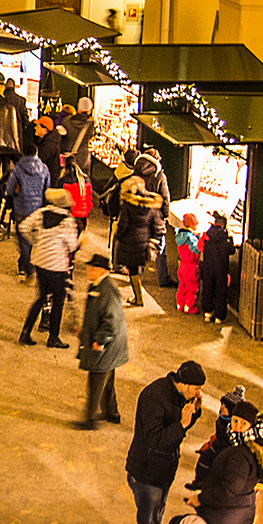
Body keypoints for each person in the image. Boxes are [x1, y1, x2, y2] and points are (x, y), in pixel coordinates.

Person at [120, 361, 207, 524]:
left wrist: (194, 413)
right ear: (183, 383)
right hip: (146, 474)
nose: (199, 393)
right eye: (196, 388)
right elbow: (156, 439)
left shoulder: (178, 395)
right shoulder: (154, 397)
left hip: (162, 473)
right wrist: (181, 425)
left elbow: (179, 427)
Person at [195, 401, 263, 524]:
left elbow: (228, 491)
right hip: (240, 520)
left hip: (226, 522)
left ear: (251, 426)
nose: (237, 426)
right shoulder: (253, 445)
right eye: (235, 421)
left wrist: (201, 498)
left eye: (243, 423)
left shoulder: (239, 455)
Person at [74, 252, 129, 430]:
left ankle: (90, 420)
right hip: (109, 344)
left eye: (93, 268)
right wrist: (85, 332)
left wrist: (100, 341)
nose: (88, 270)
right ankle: (111, 413)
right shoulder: (97, 286)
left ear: (102, 270)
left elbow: (111, 321)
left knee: (96, 378)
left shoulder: (106, 291)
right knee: (107, 379)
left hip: (107, 345)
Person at [17, 189, 78, 348]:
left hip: (40, 262)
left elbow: (23, 227)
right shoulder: (67, 221)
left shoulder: (41, 213)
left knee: (41, 298)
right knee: (58, 301)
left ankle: (25, 332)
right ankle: (53, 337)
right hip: (57, 266)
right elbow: (72, 245)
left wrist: (35, 240)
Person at [112, 170, 164, 307]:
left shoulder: (128, 205)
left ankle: (138, 298)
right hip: (144, 242)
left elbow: (123, 225)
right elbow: (157, 225)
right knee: (136, 268)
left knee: (133, 270)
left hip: (130, 242)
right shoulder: (152, 205)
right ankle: (138, 296)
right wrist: (153, 239)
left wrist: (118, 236)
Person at [5, 145, 51, 279]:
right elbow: (47, 190)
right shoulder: (44, 168)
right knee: (30, 237)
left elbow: (9, 189)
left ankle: (25, 266)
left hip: (21, 206)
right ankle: (24, 263)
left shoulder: (18, 168)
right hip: (36, 207)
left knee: (22, 237)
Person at [199, 212, 235, 323]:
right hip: (221, 269)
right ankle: (219, 316)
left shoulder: (207, 236)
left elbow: (200, 247)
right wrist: (231, 239)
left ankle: (207, 312)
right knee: (220, 292)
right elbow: (232, 250)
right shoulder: (225, 238)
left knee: (208, 289)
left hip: (208, 267)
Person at [173, 213, 203, 315]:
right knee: (192, 287)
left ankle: (180, 304)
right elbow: (197, 249)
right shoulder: (190, 238)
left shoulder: (180, 235)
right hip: (191, 266)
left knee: (182, 285)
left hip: (182, 264)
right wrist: (200, 239)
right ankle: (189, 307)